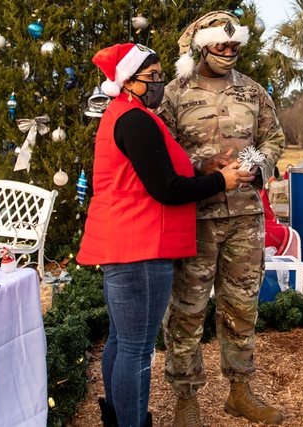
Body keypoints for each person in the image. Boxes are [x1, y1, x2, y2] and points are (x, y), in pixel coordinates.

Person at [77, 43, 255, 427]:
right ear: (128, 81)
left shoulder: (128, 114)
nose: (160, 83)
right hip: (139, 246)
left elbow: (158, 170)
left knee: (121, 341)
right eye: (152, 77)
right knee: (137, 350)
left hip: (125, 242)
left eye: (160, 74)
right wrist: (219, 181)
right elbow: (167, 188)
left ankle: (119, 418)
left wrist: (205, 165)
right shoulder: (135, 120)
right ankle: (132, 422)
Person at [159, 11, 286, 426]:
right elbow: (164, 148)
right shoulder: (174, 94)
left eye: (236, 45)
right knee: (188, 309)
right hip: (195, 217)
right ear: (202, 44)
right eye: (222, 44)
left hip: (245, 218)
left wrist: (252, 163)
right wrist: (202, 163)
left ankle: (239, 391)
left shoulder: (252, 92)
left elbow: (273, 137)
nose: (230, 51)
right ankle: (185, 399)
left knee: (241, 306)